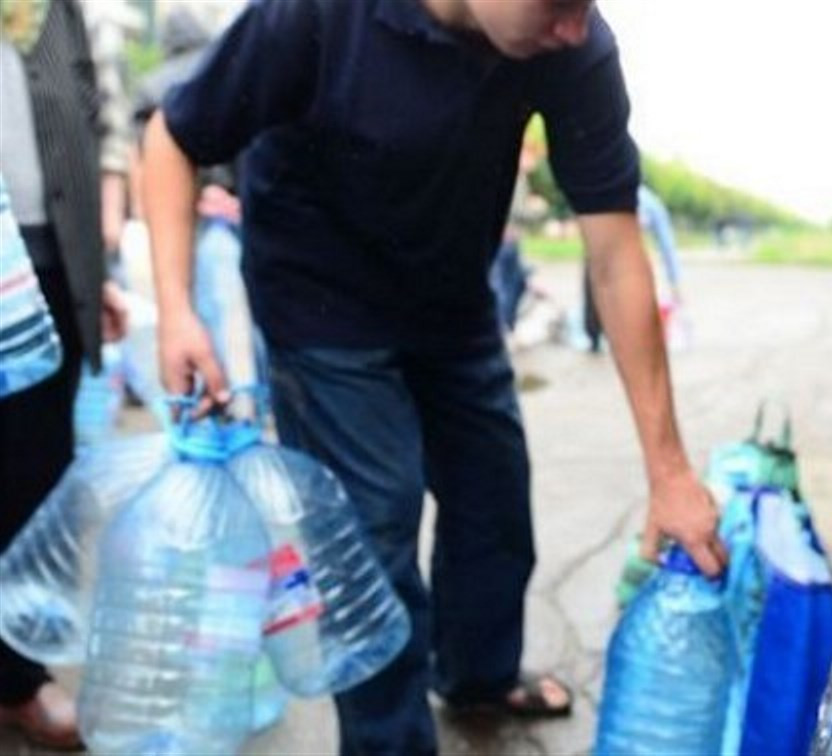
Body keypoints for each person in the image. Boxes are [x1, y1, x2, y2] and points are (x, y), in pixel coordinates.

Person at [140, 1, 726, 754]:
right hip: (320, 304)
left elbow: (614, 253)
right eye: (558, 6)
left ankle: (478, 678)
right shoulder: (315, 15)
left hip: (452, 301)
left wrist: (668, 470)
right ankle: (390, 743)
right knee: (374, 525)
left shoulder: (571, 45)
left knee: (494, 500)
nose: (576, 28)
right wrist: (177, 308)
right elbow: (173, 136)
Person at [0, 0, 128, 748]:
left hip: (46, 259)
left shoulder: (55, 6)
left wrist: (93, 272)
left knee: (39, 479)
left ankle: (18, 678)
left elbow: (87, 115)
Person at [583, 183, 684, 352]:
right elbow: (666, 245)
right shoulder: (651, 202)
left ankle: (596, 338)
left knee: (598, 296)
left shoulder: (603, 189)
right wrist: (674, 281)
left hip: (600, 254)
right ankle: (626, 341)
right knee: (629, 302)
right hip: (628, 257)